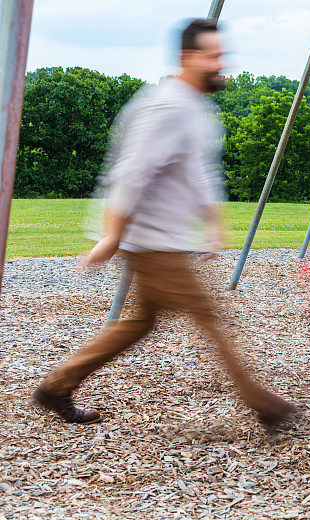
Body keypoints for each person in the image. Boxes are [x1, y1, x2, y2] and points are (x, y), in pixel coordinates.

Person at [32, 19, 296, 426]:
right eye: (213, 56)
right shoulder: (167, 107)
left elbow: (198, 173)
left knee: (140, 323)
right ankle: (264, 406)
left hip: (165, 238)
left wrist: (214, 222)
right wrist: (112, 234)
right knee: (209, 315)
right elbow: (131, 173)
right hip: (152, 241)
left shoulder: (194, 106)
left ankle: (55, 387)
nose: (220, 63)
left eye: (221, 54)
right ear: (187, 58)